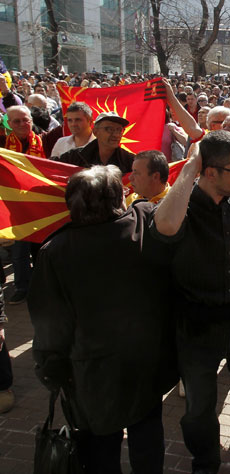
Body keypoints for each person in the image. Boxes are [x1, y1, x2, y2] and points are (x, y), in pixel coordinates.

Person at [29, 165, 176, 473]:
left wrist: (50, 366)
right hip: (144, 358)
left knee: (100, 442)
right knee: (145, 431)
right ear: (116, 198)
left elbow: (50, 321)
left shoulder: (55, 250)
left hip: (91, 368)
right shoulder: (143, 222)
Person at [152, 131, 230, 473]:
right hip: (197, 324)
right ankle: (205, 465)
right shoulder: (183, 203)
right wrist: (190, 167)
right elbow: (164, 226)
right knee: (199, 409)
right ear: (210, 173)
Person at [56, 112, 135, 173]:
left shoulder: (130, 161)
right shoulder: (75, 157)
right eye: (109, 129)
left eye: (119, 130)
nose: (116, 135)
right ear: (95, 132)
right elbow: (50, 168)